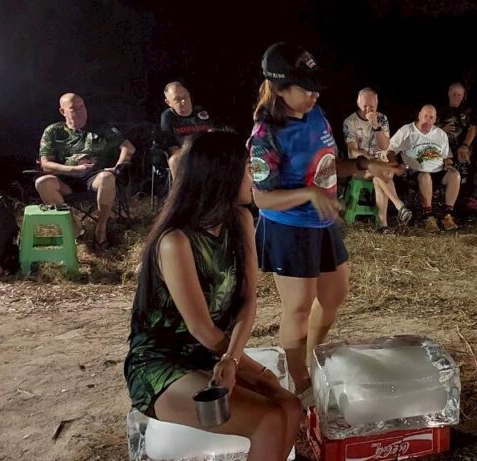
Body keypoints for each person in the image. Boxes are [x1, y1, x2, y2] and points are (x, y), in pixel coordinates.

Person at [125, 131, 302, 461]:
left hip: (212, 356)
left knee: (290, 406)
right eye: (248, 169)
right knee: (268, 420)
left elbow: (248, 300)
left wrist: (236, 361)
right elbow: (201, 328)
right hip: (162, 364)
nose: (255, 177)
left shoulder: (240, 219)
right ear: (223, 175)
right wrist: (241, 365)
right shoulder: (176, 242)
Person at [249, 42, 403, 401]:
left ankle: (312, 356)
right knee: (298, 307)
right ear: (280, 88)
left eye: (316, 85)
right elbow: (261, 198)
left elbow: (330, 166)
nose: (315, 93)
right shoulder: (266, 135)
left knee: (334, 295)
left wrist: (365, 166)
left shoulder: (316, 115)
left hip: (321, 221)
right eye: (306, 87)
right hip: (288, 226)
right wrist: (309, 194)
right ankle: (299, 381)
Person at [36, 93, 136, 248]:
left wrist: (117, 167)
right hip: (66, 179)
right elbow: (46, 164)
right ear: (63, 111)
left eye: (82, 106)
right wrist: (72, 169)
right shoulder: (53, 131)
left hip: (94, 178)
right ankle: (74, 227)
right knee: (42, 182)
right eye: (74, 108)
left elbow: (128, 147)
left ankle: (101, 229)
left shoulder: (101, 127)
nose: (80, 111)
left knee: (107, 177)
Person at [342, 87, 412, 232]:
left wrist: (375, 125)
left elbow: (385, 145)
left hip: (380, 166)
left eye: (371, 106)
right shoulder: (350, 121)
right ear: (358, 103)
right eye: (364, 106)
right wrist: (367, 158)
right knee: (379, 171)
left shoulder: (382, 119)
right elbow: (352, 150)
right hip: (359, 166)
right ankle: (399, 206)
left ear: (377, 104)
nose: (368, 109)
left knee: (378, 175)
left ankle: (383, 226)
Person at [388, 105, 461, 231]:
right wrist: (395, 163)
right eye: (425, 116)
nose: (428, 120)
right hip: (415, 172)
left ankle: (448, 215)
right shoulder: (407, 131)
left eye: (431, 118)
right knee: (425, 176)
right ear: (419, 115)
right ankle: (428, 216)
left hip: (438, 170)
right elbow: (390, 149)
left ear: (435, 119)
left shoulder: (441, 134)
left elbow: (447, 157)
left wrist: (449, 165)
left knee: (455, 175)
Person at [160, 82, 214, 175]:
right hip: (185, 155)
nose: (183, 101)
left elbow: (212, 134)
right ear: (169, 103)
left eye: (185, 96)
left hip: (206, 152)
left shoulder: (201, 111)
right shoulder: (167, 117)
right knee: (174, 161)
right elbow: (172, 147)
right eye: (177, 99)